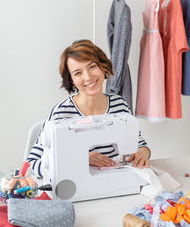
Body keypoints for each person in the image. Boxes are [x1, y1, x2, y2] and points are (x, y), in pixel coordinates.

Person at [27, 40, 151, 178]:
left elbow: (138, 143)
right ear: (72, 80)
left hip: (112, 182)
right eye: (78, 73)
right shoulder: (61, 113)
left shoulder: (119, 104)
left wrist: (144, 152)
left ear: (103, 67)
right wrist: (81, 158)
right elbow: (32, 164)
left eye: (92, 67)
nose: (88, 77)